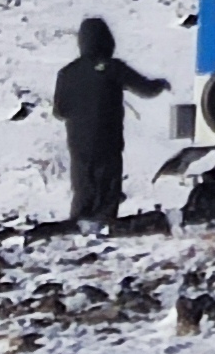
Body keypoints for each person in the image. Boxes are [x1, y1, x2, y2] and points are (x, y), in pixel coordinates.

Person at [50, 13, 168, 226]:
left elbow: (59, 111)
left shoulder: (67, 73)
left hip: (78, 139)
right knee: (108, 180)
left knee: (83, 181)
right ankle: (105, 220)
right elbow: (145, 88)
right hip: (108, 135)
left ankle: (80, 221)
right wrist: (160, 85)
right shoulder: (113, 67)